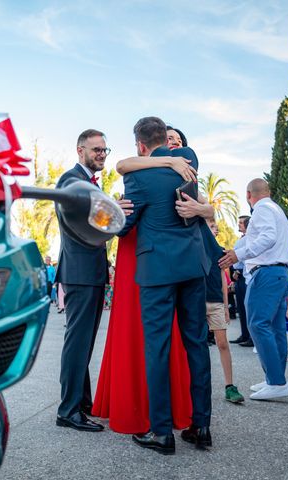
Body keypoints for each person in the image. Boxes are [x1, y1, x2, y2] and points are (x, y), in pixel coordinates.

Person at [118, 117, 212, 455]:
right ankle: (201, 427)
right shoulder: (187, 160)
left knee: (157, 348)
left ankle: (162, 433)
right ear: (164, 140)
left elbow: (124, 227)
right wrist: (170, 158)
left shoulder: (137, 176)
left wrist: (115, 214)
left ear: (141, 145)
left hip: (157, 270)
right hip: (192, 265)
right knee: (197, 345)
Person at [54, 129, 109, 432]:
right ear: (80, 150)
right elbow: (84, 220)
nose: (101, 154)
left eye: (104, 150)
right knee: (77, 342)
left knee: (84, 341)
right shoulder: (70, 180)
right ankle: (68, 410)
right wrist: (114, 213)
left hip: (90, 272)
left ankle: (81, 403)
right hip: (80, 272)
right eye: (96, 149)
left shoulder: (87, 182)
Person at [219, 178, 288, 401]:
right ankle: (275, 378)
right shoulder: (275, 209)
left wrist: (238, 255)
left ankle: (277, 382)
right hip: (279, 273)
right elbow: (255, 239)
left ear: (249, 194)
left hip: (268, 273)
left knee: (257, 324)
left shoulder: (261, 209)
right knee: (276, 327)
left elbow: (266, 238)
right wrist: (235, 250)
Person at [205, 218, 245, 403]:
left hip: (215, 302)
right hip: (194, 303)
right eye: (211, 226)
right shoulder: (192, 247)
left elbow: (223, 278)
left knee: (222, 343)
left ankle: (230, 386)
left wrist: (226, 305)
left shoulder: (220, 251)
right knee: (195, 346)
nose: (215, 229)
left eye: (215, 227)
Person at [231, 216, 253, 347]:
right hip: (240, 275)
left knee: (247, 308)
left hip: (246, 276)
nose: (239, 225)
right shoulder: (242, 239)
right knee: (241, 307)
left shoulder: (248, 240)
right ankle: (244, 334)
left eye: (241, 223)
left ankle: (250, 336)